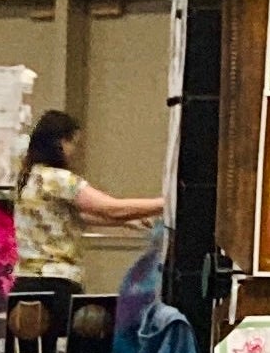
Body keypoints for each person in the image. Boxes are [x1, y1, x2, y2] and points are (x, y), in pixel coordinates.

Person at [12, 112, 162, 287]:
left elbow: (63, 217)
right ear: (61, 142)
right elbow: (111, 208)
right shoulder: (59, 180)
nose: (73, 151)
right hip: (56, 278)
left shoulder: (27, 178)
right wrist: (164, 203)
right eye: (73, 143)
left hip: (23, 278)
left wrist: (123, 222)